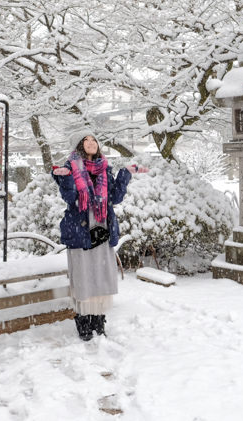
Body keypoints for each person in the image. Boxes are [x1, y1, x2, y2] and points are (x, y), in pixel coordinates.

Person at [52, 130, 148, 341]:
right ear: (78, 145)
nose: (90, 142)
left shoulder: (104, 169)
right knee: (84, 274)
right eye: (85, 140)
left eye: (93, 139)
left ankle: (98, 319)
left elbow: (114, 197)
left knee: (101, 274)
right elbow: (70, 198)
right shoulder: (70, 168)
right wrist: (66, 179)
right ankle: (83, 320)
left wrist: (125, 173)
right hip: (81, 230)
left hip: (103, 227)